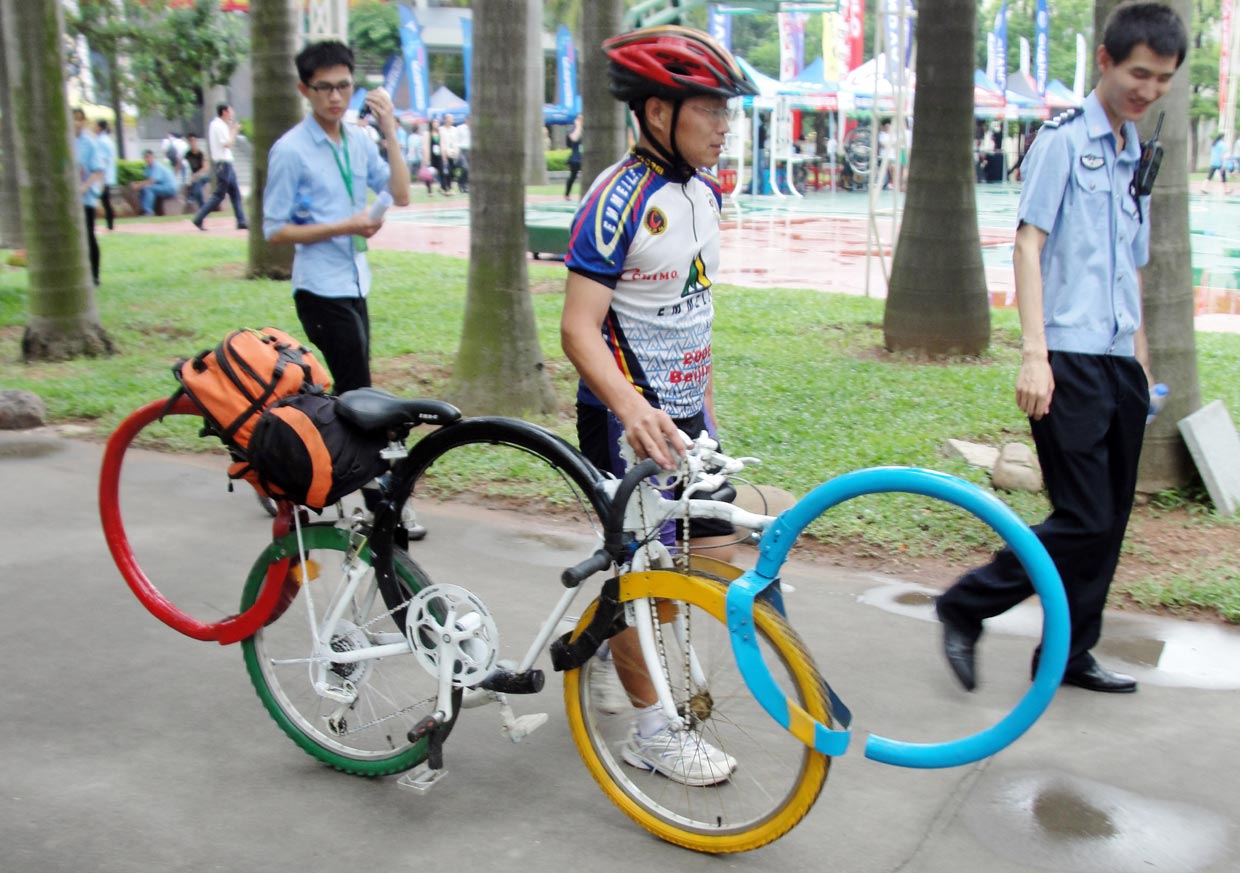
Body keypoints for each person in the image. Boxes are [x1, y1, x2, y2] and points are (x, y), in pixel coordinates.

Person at [935, 1, 1188, 696]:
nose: (1149, 89)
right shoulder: (1061, 141)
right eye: (1140, 73)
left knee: (1109, 525)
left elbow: (1129, 267)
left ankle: (1071, 653)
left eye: (1163, 79)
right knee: (1083, 517)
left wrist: (1141, 363)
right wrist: (1034, 354)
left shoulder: (1136, 148)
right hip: (1067, 359)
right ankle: (966, 603)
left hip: (1118, 366)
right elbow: (1028, 243)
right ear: (1106, 61)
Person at [560, 25, 757, 786]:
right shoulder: (615, 202)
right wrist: (633, 409)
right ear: (655, 109)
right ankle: (653, 731)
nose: (723, 123)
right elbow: (578, 330)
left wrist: (706, 410)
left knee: (704, 557)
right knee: (643, 569)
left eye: (725, 109)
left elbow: (690, 307)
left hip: (686, 416)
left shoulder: (703, 194)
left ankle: (621, 642)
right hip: (622, 419)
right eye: (708, 107)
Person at [262, 39, 410, 396]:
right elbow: (274, 230)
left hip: (356, 282)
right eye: (324, 88)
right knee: (358, 390)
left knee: (354, 390)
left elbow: (402, 194)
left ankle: (327, 449)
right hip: (318, 289)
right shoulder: (290, 151)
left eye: (343, 86)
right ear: (305, 90)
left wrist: (389, 129)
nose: (335, 97)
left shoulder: (358, 140)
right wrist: (347, 226)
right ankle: (338, 451)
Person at [192, 103, 247, 231]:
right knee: (219, 195)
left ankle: (241, 221)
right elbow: (227, 143)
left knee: (235, 194)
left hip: (226, 163)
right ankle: (199, 218)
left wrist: (230, 129)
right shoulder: (219, 125)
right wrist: (234, 130)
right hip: (223, 164)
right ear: (224, 112)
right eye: (230, 110)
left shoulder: (217, 124)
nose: (232, 112)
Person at [73, 109, 105, 286]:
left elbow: (98, 170)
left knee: (88, 235)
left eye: (79, 119)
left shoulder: (89, 143)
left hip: (86, 199)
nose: (76, 123)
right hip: (68, 199)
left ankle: (94, 275)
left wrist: (84, 187)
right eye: (73, 119)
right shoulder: (63, 142)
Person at [130, 149, 179, 215]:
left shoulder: (156, 166)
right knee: (143, 189)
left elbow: (152, 181)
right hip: (160, 187)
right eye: (146, 157)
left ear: (152, 157)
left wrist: (138, 185)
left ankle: (148, 211)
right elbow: (147, 180)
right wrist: (137, 184)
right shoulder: (148, 168)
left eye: (149, 157)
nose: (147, 159)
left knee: (148, 188)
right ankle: (143, 210)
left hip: (169, 187)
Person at [95, 120, 117, 231]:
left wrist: (100, 177)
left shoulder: (101, 141)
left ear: (100, 127)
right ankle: (110, 224)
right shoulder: (108, 140)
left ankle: (109, 224)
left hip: (103, 176)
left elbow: (102, 160)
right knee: (105, 200)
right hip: (108, 175)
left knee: (102, 200)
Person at [184, 134, 210, 210]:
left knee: (198, 181)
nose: (192, 143)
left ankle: (192, 197)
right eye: (190, 141)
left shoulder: (201, 153)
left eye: (193, 141)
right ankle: (201, 205)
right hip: (195, 177)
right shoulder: (188, 154)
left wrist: (197, 174)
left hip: (204, 175)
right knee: (195, 183)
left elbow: (206, 168)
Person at [439, 115, 459, 194]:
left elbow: (456, 141)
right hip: (444, 153)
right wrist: (443, 153)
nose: (451, 120)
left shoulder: (455, 130)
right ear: (445, 120)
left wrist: (457, 151)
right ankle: (445, 187)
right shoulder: (441, 130)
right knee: (444, 171)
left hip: (453, 153)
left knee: (451, 171)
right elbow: (440, 142)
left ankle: (449, 187)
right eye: (450, 118)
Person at [564, 114, 582, 200]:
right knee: (573, 176)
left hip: (585, 157)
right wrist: (578, 126)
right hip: (576, 158)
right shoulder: (573, 129)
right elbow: (574, 138)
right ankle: (567, 194)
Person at [455, 116, 470, 194]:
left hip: (470, 151)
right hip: (462, 150)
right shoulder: (460, 128)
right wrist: (457, 150)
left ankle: (465, 185)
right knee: (465, 168)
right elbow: (456, 140)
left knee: (469, 169)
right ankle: (461, 183)